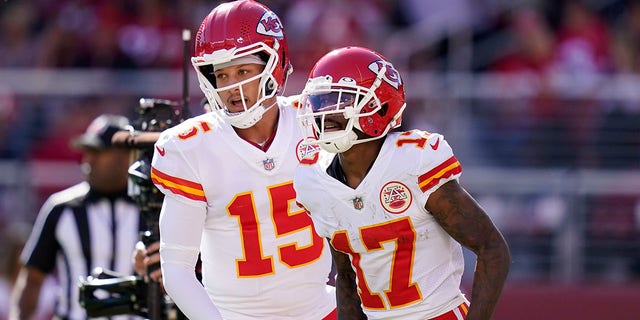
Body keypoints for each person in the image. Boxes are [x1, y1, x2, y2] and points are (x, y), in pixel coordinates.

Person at [149, 1, 336, 319]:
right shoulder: (189, 148)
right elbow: (177, 269)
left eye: (244, 71)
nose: (232, 86)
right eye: (221, 75)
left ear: (273, 64)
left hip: (321, 309)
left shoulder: (314, 121)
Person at [293, 46, 511, 320]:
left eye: (339, 100)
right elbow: (348, 279)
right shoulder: (314, 178)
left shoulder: (414, 161)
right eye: (321, 101)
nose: (326, 113)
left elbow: (492, 248)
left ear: (379, 104)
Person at [10, 114, 143, 320]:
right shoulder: (61, 207)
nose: (87, 160)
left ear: (125, 157)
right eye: (87, 152)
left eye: (97, 152)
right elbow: (33, 278)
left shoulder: (150, 209)